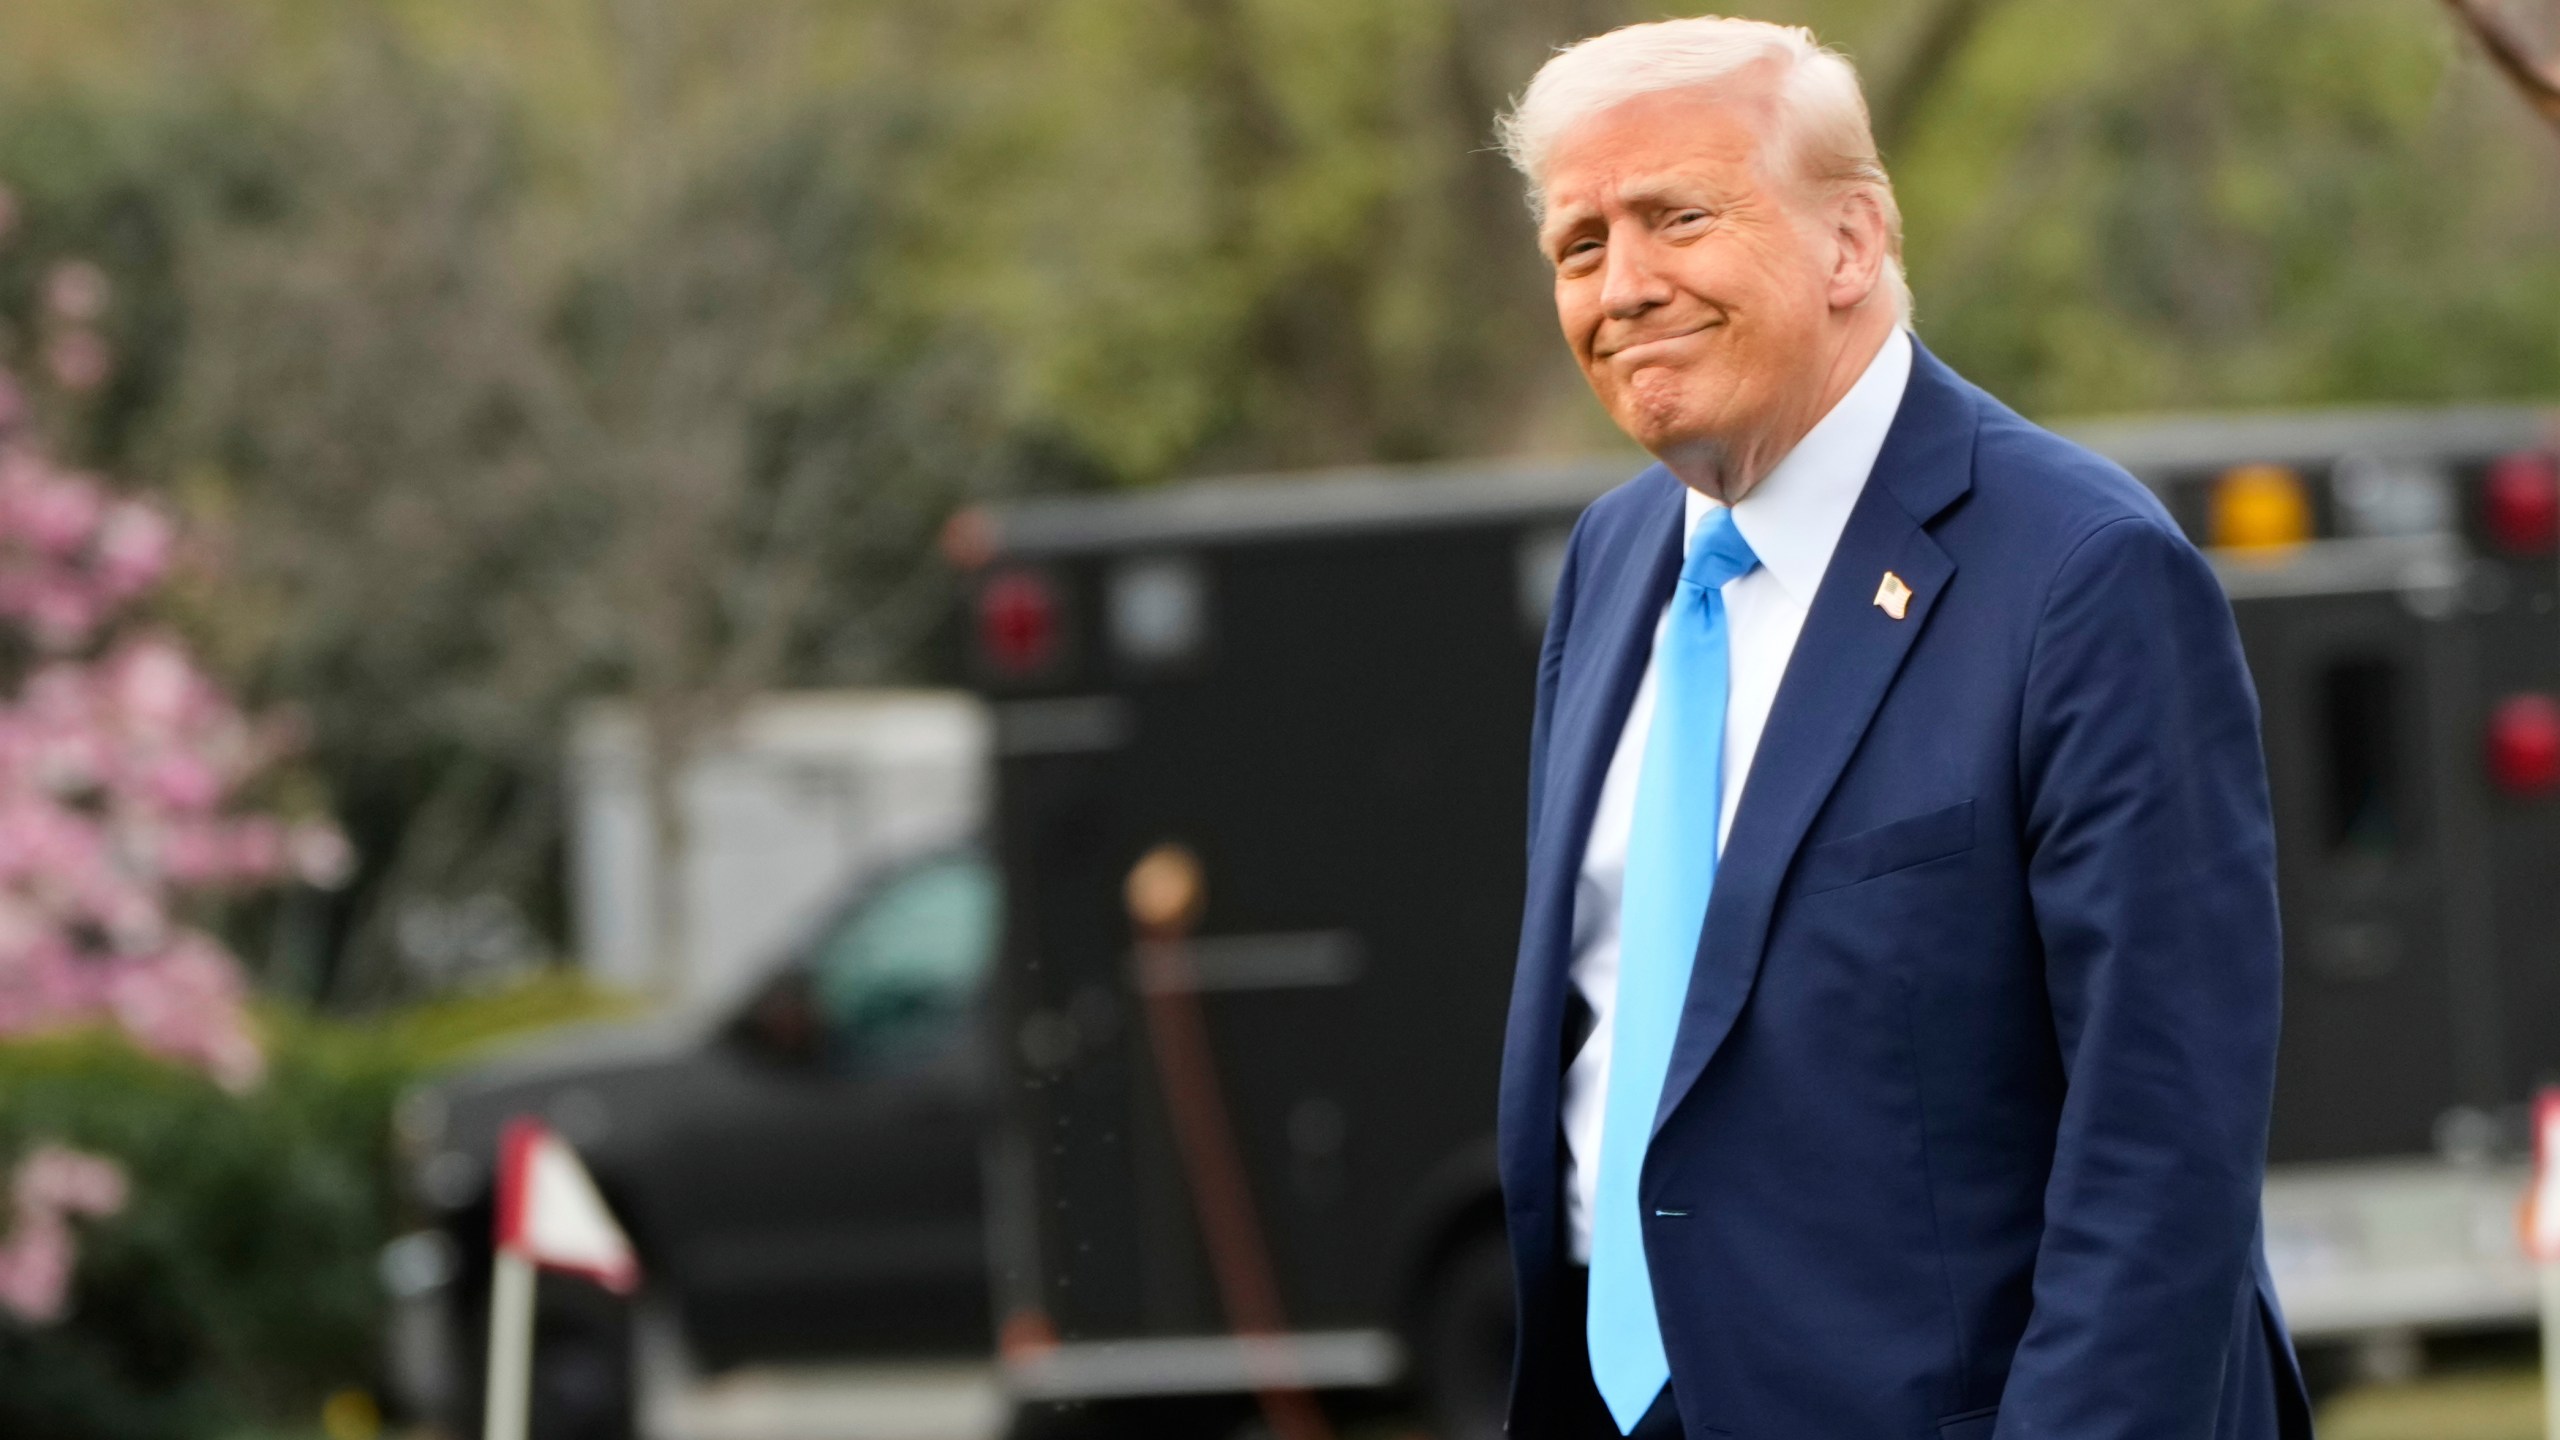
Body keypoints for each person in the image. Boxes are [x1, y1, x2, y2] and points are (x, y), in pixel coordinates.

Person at [1491, 17, 2312, 1440]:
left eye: (1677, 217)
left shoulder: (2083, 574)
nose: (1623, 287)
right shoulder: (1612, 564)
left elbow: (2163, 1144)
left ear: (1851, 244)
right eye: (1579, 245)